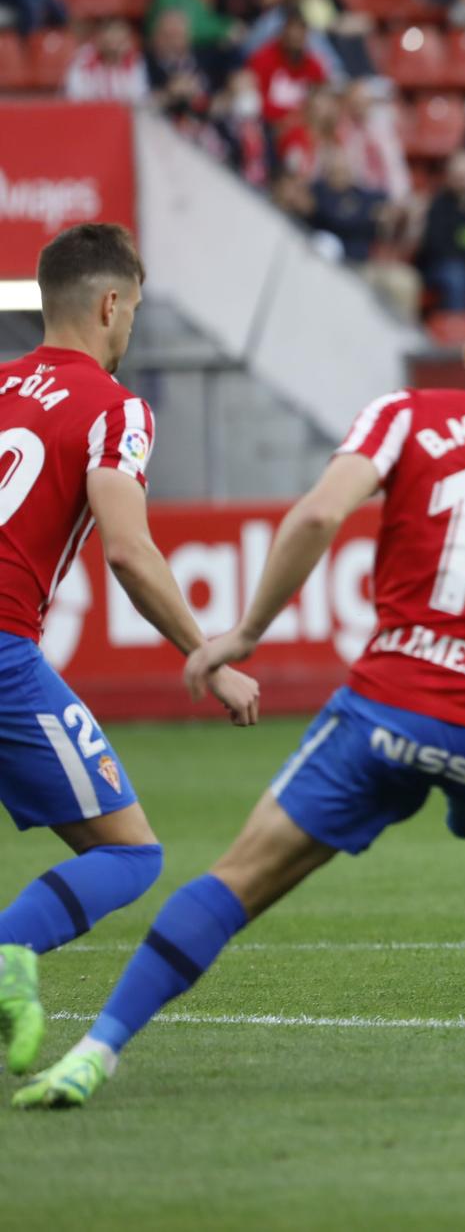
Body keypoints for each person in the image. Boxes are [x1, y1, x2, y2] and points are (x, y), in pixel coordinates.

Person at [12, 278, 465, 1108]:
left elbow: (319, 516)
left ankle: (94, 1052)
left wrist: (245, 632)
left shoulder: (405, 414)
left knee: (239, 876)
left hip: (393, 710)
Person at [0, 224, 261, 1075]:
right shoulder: (115, 408)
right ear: (111, 303)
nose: (131, 327)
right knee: (129, 850)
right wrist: (209, 654)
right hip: (3, 649)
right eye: (135, 311)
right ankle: (9, 950)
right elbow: (128, 548)